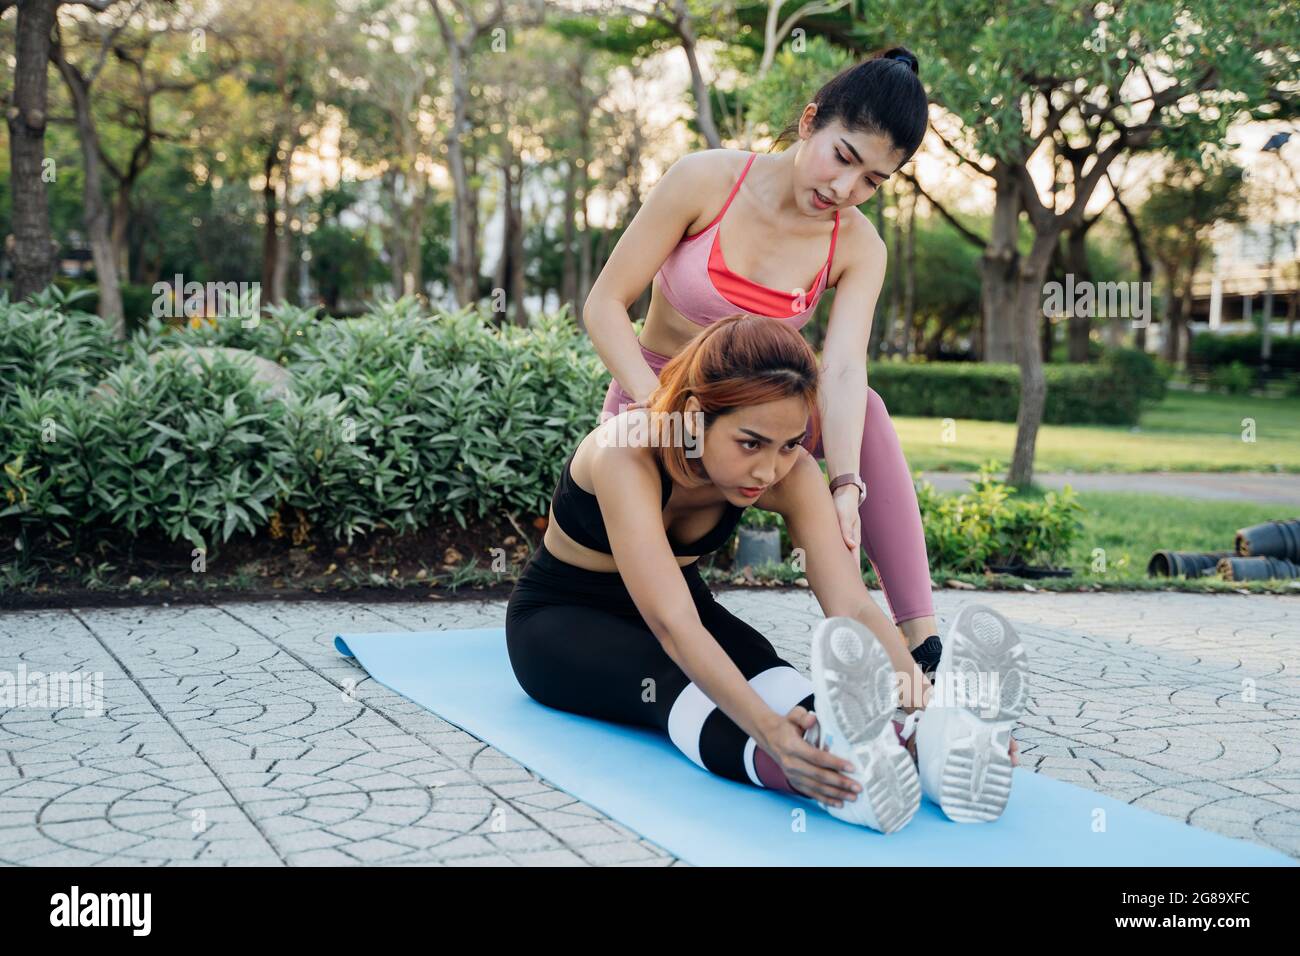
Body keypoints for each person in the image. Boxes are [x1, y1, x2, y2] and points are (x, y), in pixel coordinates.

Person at [506, 315, 1022, 833]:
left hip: (684, 605)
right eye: (750, 443)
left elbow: (852, 604)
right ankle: (816, 779)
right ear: (692, 416)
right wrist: (770, 733)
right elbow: (673, 626)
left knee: (775, 677)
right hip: (562, 620)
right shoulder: (626, 451)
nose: (769, 469)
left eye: (790, 444)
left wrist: (927, 704)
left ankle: (923, 749)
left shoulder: (790, 472)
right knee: (674, 683)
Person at [582, 46, 946, 681]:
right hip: (662, 405)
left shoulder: (858, 243)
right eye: (843, 157)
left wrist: (846, 485)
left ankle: (919, 644)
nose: (844, 189)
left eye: (871, 182)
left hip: (759, 422)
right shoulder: (704, 179)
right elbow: (605, 305)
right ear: (810, 122)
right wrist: (657, 407)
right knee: (643, 607)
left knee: (870, 410)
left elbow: (840, 372)